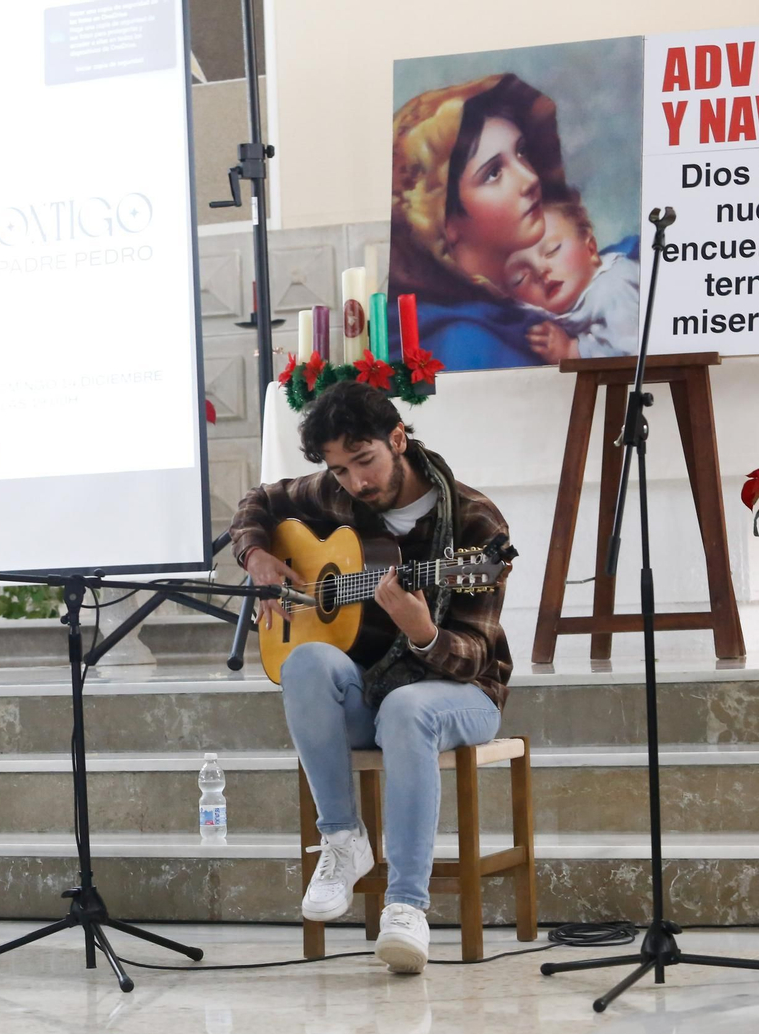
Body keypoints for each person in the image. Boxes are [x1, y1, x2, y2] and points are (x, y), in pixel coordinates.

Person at [229, 382, 512, 974]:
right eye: (340, 468)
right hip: (375, 695)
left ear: (398, 440)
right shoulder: (336, 496)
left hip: (462, 694)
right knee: (304, 661)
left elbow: (476, 657)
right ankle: (343, 837)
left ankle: (407, 906)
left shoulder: (474, 522)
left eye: (365, 461)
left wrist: (422, 631)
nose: (356, 481)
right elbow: (259, 501)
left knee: (411, 707)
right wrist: (256, 553)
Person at [389, 73, 576, 369]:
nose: (530, 179)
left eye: (521, 152)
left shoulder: (527, 306)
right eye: (493, 173)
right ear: (442, 222)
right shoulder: (465, 343)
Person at [505, 198, 641, 362]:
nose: (540, 270)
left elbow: (630, 349)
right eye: (520, 278)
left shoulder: (615, 285)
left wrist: (571, 350)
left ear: (590, 249)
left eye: (552, 250)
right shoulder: (529, 312)